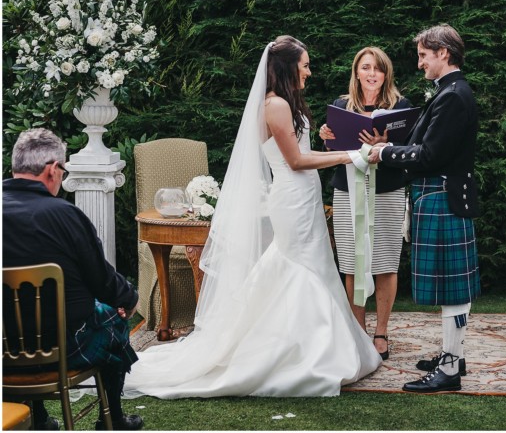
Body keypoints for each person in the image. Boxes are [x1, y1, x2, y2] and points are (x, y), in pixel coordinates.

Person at [122, 36, 381, 399]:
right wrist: (349, 156)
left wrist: (331, 142)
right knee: (295, 267)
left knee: (313, 266)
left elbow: (303, 151)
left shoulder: (288, 104)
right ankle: (290, 354)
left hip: (304, 197)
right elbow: (294, 161)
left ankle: (310, 345)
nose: (309, 70)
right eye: (304, 64)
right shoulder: (274, 106)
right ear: (288, 67)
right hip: (291, 198)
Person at [2, 128, 143, 430]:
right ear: (53, 169)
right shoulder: (65, 214)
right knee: (113, 318)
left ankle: (38, 418)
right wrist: (128, 300)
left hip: (3, 351)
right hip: (65, 346)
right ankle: (113, 420)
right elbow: (102, 280)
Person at [367, 24, 479, 393]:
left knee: (452, 287)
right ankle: (454, 355)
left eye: (423, 56)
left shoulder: (452, 95)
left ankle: (449, 368)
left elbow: (430, 155)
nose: (419, 64)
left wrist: (384, 152)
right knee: (452, 285)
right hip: (441, 194)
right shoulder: (450, 92)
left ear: (443, 53)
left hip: (441, 195)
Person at [318, 47, 411, 360]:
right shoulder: (341, 105)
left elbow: (411, 149)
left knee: (385, 260)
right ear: (356, 72)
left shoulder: (401, 107)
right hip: (348, 191)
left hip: (387, 190)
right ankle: (357, 331)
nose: (372, 73)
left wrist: (385, 145)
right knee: (351, 260)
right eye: (366, 67)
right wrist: (324, 135)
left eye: (378, 69)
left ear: (386, 74)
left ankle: (381, 333)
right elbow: (332, 149)